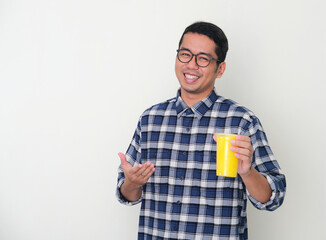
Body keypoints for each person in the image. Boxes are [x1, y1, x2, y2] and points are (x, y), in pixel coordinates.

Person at [116, 21, 286, 240]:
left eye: (203, 58)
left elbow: (273, 197)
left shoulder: (242, 122)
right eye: (185, 54)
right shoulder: (150, 119)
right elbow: (127, 193)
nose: (191, 65)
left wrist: (247, 172)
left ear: (220, 69)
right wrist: (132, 183)